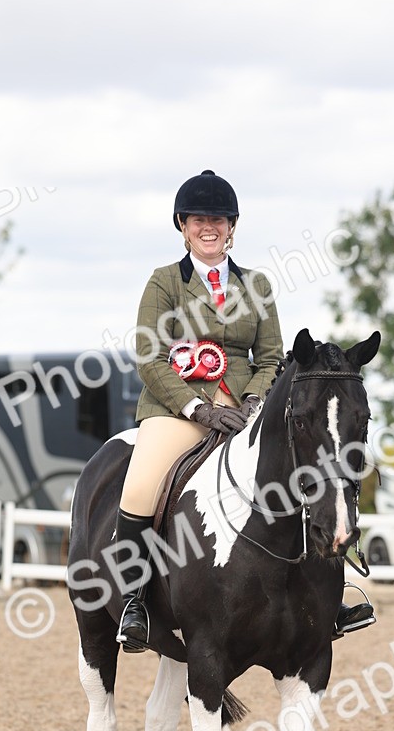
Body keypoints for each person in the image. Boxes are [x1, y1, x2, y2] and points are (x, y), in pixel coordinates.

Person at [115, 169, 374, 651]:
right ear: (182, 225)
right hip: (176, 407)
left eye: (218, 219)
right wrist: (197, 409)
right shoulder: (164, 282)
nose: (208, 227)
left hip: (245, 408)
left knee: (304, 472)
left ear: (231, 226)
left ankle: (326, 598)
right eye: (198, 219)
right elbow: (150, 358)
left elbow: (272, 358)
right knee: (141, 486)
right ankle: (134, 599)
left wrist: (254, 401)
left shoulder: (256, 284)